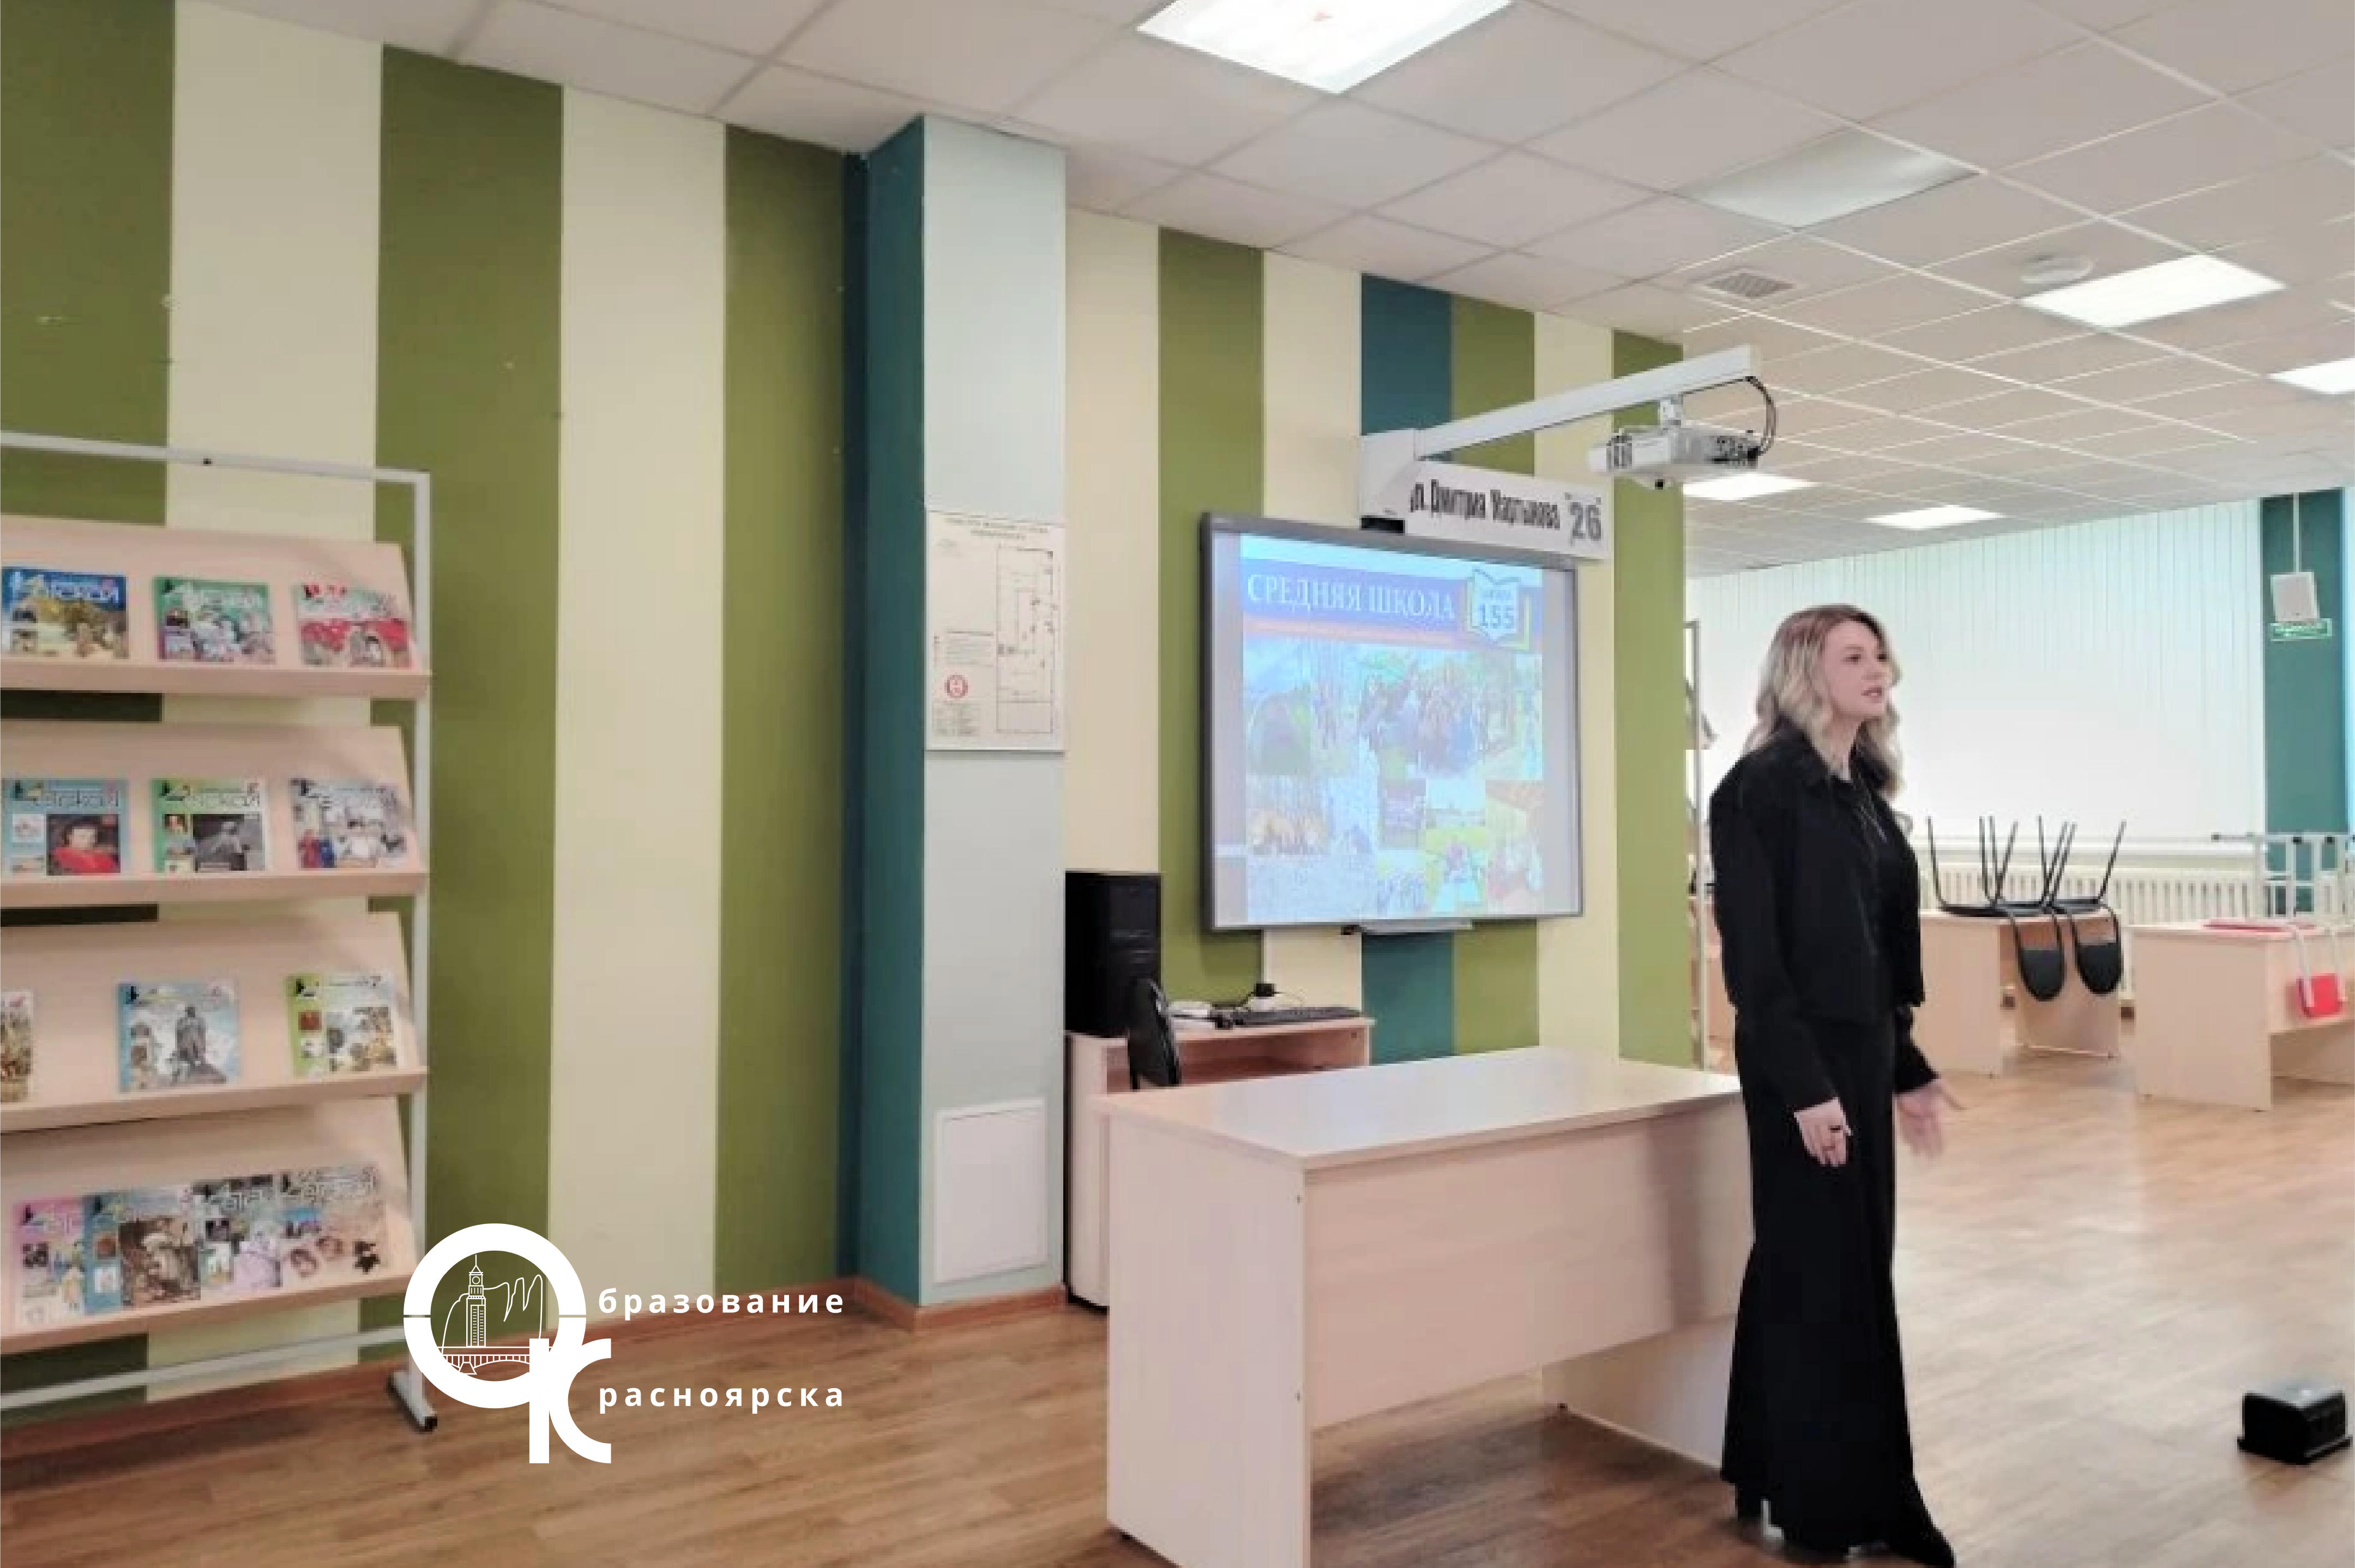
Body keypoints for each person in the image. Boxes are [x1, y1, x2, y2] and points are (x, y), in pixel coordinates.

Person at [1707, 604, 1962, 1567]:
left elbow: (1874, 952)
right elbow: (1756, 963)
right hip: (1796, 1066)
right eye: (1852, 655)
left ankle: (1770, 1461)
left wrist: (1905, 1068)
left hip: (1854, 1057)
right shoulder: (1758, 789)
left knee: (1833, 1268)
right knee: (1823, 1278)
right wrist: (1807, 1090)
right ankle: (1838, 1506)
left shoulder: (1861, 790)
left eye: (1879, 653)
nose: (1876, 668)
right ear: (1802, 673)